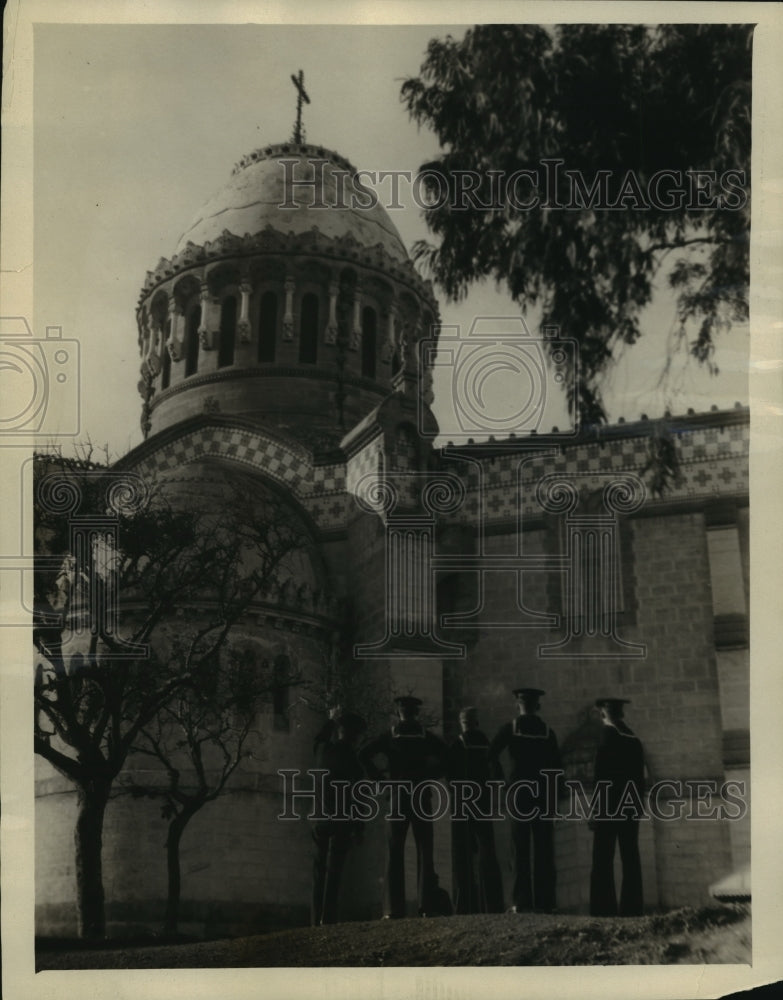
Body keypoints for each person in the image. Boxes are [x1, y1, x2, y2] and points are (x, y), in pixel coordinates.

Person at [359, 695, 449, 919]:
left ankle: (393, 909)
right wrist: (431, 776)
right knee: (424, 850)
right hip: (420, 795)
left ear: (399, 713)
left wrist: (379, 780)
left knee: (394, 851)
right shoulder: (426, 737)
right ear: (416, 713)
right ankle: (427, 906)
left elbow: (363, 754)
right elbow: (448, 757)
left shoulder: (390, 736)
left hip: (397, 795)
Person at [489, 687, 562, 913]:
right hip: (543, 795)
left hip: (518, 794)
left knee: (519, 848)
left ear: (518, 705)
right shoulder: (548, 732)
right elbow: (557, 769)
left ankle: (521, 901)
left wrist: (502, 779)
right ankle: (546, 901)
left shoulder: (510, 729)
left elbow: (491, 754)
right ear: (537, 706)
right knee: (544, 849)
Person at [589, 697, 645, 917]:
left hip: (609, 806)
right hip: (631, 806)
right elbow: (640, 778)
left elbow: (602, 776)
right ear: (621, 714)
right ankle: (632, 908)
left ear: (603, 714)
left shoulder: (606, 735)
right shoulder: (634, 738)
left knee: (602, 858)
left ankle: (603, 908)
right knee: (630, 856)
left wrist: (596, 809)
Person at [311, 712, 367, 925]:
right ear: (356, 736)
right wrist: (360, 827)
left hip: (319, 819)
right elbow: (357, 796)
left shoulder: (322, 751)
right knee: (334, 872)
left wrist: (330, 719)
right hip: (341, 821)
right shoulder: (353, 759)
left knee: (318, 871)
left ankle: (315, 919)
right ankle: (329, 917)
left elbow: (319, 739)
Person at [447, 706, 505, 913]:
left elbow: (450, 776)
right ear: (477, 722)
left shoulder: (457, 744)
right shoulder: (487, 745)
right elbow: (497, 772)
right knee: (487, 851)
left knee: (462, 854)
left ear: (462, 723)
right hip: (482, 801)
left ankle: (464, 905)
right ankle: (493, 903)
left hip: (462, 803)